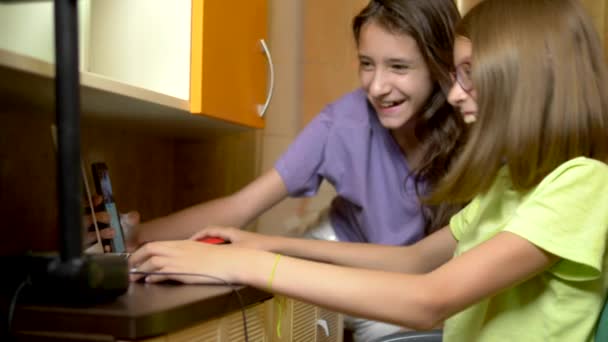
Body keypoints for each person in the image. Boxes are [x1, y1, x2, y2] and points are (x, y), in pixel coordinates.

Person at [128, 0, 608, 340]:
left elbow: (428, 300)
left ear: (520, 79)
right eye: (457, 75)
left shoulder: (583, 182)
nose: (457, 92)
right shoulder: (509, 186)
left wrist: (245, 263)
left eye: (468, 75)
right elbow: (414, 259)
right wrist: (264, 244)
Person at [128, 1, 465, 340]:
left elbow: (415, 263)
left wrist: (266, 247)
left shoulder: (475, 129)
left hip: (404, 275)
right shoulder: (342, 121)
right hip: (336, 245)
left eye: (398, 66)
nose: (377, 86)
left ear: (440, 66)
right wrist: (133, 238)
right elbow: (241, 206)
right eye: (366, 64)